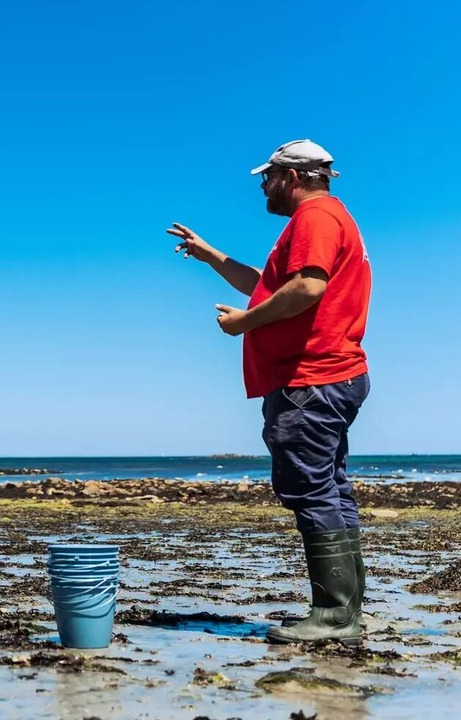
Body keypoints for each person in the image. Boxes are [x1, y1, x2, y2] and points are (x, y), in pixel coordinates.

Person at [168, 139, 371, 645]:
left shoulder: (315, 219)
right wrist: (210, 255)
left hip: (311, 379)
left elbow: (306, 290)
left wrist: (243, 325)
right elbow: (269, 283)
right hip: (330, 376)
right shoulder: (325, 219)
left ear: (294, 176)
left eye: (269, 177)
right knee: (330, 487)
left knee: (310, 487)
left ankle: (334, 616)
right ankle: (345, 612)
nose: (264, 186)